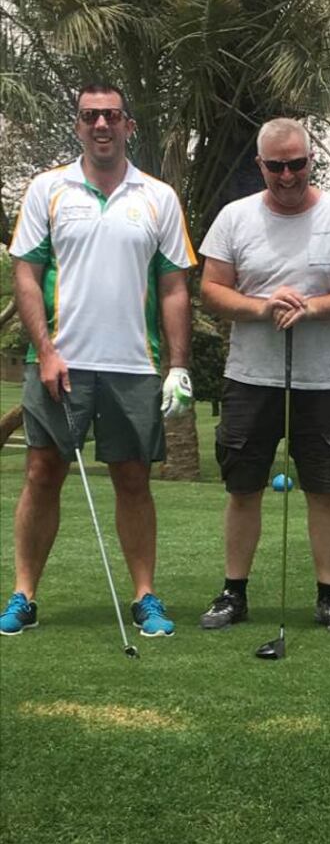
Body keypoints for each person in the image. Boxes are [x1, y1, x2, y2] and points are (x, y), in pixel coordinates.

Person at [1, 82, 195, 639]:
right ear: (79, 125)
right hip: (62, 361)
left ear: (128, 125)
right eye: (91, 116)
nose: (101, 125)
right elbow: (27, 274)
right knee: (42, 473)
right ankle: (24, 595)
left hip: (134, 365)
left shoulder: (157, 196)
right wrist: (45, 351)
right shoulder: (48, 189)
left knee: (133, 479)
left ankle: (145, 597)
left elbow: (174, 287)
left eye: (111, 115)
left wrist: (178, 365)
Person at [198, 117, 330, 636]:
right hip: (249, 376)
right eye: (275, 165)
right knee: (243, 486)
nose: (286, 174)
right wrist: (261, 307)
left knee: (324, 488)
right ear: (261, 165)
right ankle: (234, 593)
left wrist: (314, 307)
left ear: (311, 160)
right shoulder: (235, 217)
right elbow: (211, 289)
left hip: (320, 380)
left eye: (296, 163)